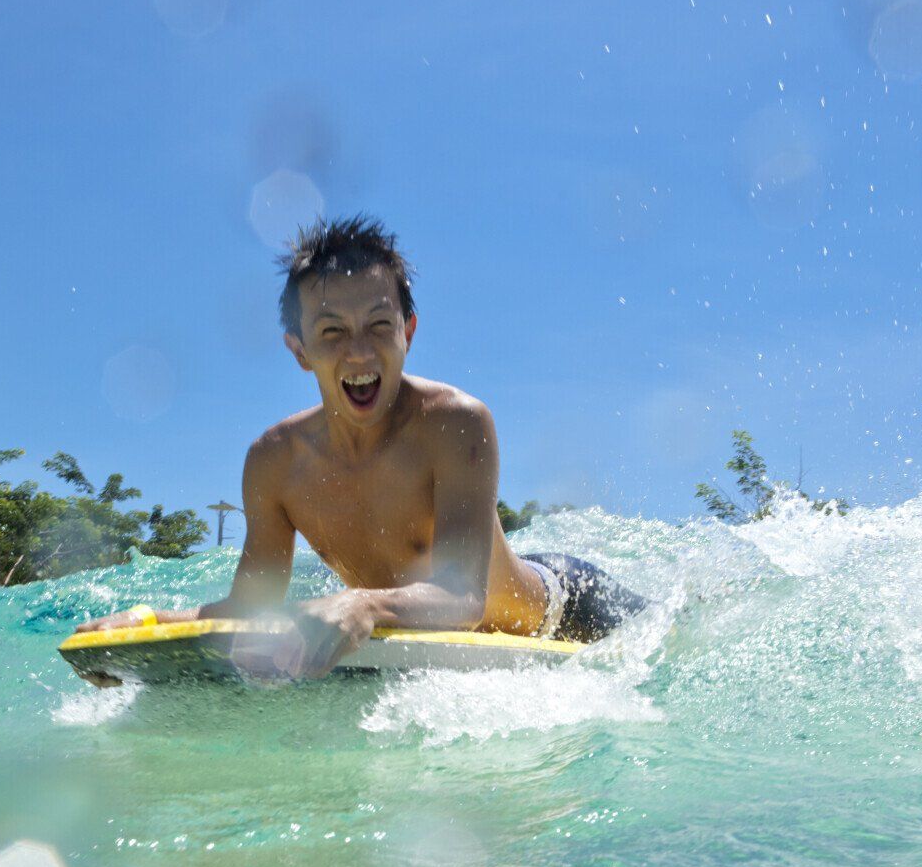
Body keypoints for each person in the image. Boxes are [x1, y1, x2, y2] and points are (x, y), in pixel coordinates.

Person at [76, 215, 644, 676]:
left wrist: (364, 604)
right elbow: (253, 607)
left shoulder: (457, 424)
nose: (360, 355)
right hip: (436, 617)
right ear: (299, 350)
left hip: (562, 607)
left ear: (409, 332)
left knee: (675, 636)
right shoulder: (274, 463)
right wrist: (149, 624)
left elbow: (465, 598)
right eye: (331, 333)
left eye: (378, 326)